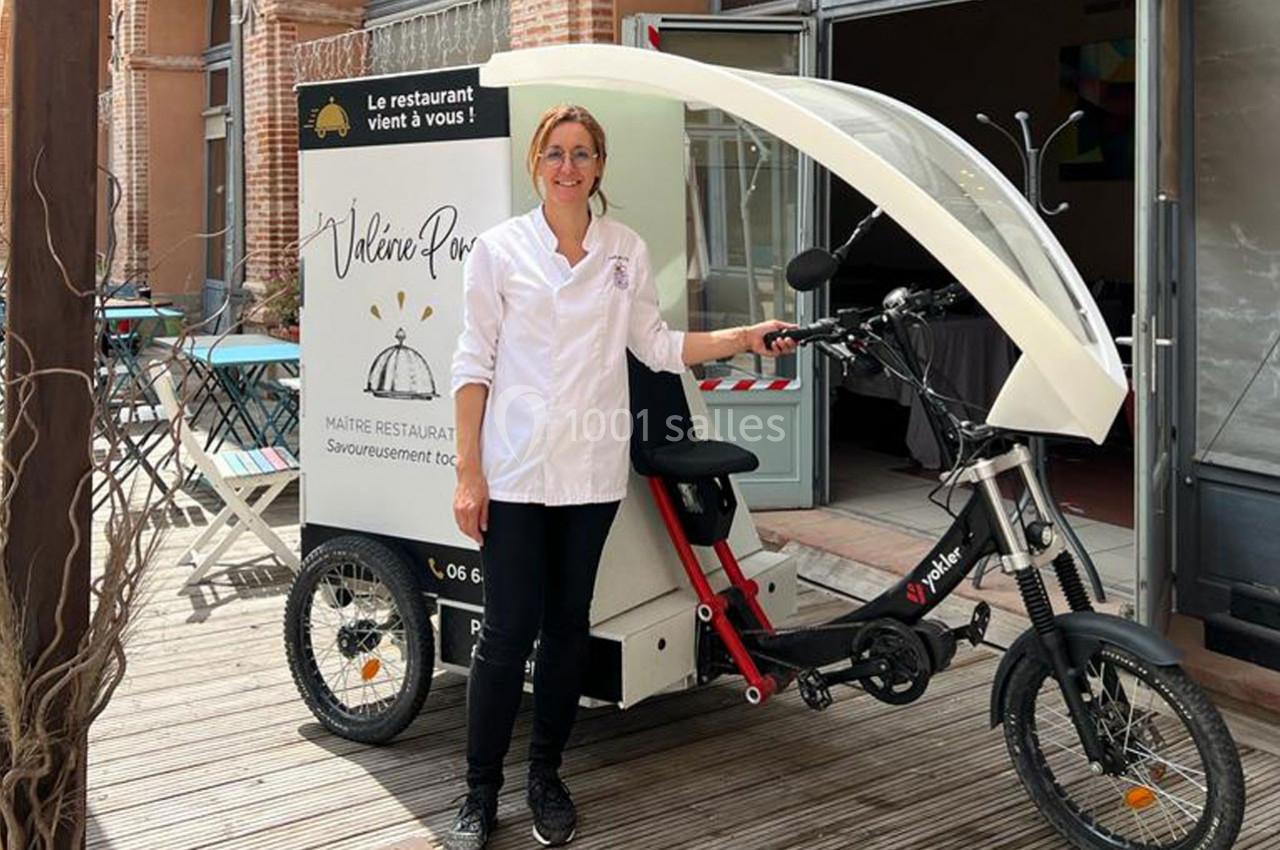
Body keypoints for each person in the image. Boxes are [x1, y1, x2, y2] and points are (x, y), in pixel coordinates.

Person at [447, 104, 797, 850]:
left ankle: (546, 776)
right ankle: (479, 792)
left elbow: (658, 345)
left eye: (581, 154)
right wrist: (468, 473)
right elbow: (472, 364)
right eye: (555, 154)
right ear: (535, 165)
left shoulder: (623, 250)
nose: (568, 167)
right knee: (506, 634)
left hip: (590, 477)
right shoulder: (499, 249)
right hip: (512, 474)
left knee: (569, 628)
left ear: (599, 165)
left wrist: (743, 336)